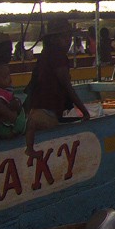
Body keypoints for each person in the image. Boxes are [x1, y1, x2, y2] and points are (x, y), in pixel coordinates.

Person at [25, 17, 91, 156]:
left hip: (39, 109)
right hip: (46, 112)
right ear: (54, 39)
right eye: (64, 37)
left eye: (69, 36)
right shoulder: (57, 55)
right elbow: (67, 85)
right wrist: (84, 111)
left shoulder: (46, 54)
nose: (68, 40)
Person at [0, 60, 27, 139]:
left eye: (9, 75)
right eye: (5, 77)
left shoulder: (4, 91)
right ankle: (15, 130)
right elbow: (0, 106)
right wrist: (11, 115)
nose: (9, 79)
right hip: (5, 123)